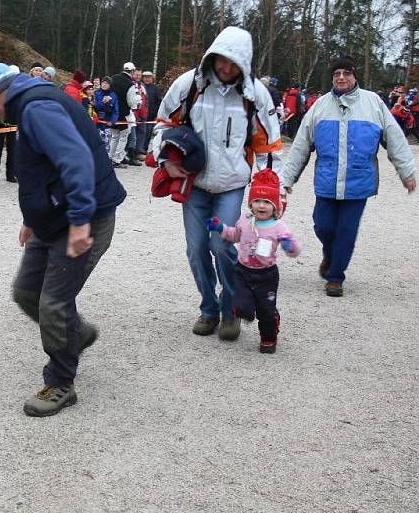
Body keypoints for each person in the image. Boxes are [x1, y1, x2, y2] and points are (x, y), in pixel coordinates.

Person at [0, 62, 126, 417]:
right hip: (52, 220)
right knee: (26, 292)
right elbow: (39, 169)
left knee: (54, 303)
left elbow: (74, 160)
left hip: (83, 217)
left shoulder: (36, 108)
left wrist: (79, 222)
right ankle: (76, 335)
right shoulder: (29, 104)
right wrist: (31, 218)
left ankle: (61, 383)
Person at [151, 26, 280, 340]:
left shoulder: (255, 95)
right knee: (196, 250)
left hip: (232, 183)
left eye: (235, 63)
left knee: (221, 245)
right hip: (195, 183)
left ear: (245, 64)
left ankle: (230, 309)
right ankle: (208, 309)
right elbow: (164, 123)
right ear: (212, 55)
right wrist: (166, 159)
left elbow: (267, 146)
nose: (227, 68)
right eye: (222, 60)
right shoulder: (189, 85)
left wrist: (269, 189)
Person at [281, 55, 416, 297]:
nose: (341, 77)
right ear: (333, 78)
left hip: (358, 183)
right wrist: (287, 179)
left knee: (346, 231)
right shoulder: (320, 106)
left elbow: (395, 139)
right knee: (323, 227)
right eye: (336, 74)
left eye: (346, 73)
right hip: (326, 181)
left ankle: (335, 277)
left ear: (355, 76)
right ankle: (330, 256)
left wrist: (407, 173)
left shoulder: (373, 103)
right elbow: (301, 144)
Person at [206, 168, 301, 354]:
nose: (261, 206)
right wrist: (220, 227)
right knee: (242, 306)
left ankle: (268, 337)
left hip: (266, 275)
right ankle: (241, 312)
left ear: (275, 206)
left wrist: (290, 245)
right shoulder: (245, 220)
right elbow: (234, 236)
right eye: (257, 201)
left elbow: (294, 251)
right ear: (250, 204)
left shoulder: (278, 227)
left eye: (267, 202)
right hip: (243, 271)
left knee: (266, 311)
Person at [94, 76, 118, 152]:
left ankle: (105, 160)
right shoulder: (96, 93)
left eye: (107, 83)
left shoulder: (113, 95)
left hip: (107, 124)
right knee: (96, 143)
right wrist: (103, 102)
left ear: (110, 85)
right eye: (103, 83)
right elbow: (95, 107)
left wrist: (112, 121)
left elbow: (116, 111)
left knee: (106, 145)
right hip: (97, 123)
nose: (104, 85)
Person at [140, 71, 160, 154]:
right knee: (140, 133)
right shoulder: (140, 87)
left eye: (149, 77)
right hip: (140, 115)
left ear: (152, 78)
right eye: (145, 77)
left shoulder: (155, 88)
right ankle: (138, 149)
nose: (147, 79)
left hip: (151, 116)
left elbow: (158, 102)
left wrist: (156, 114)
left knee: (148, 133)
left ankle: (144, 149)